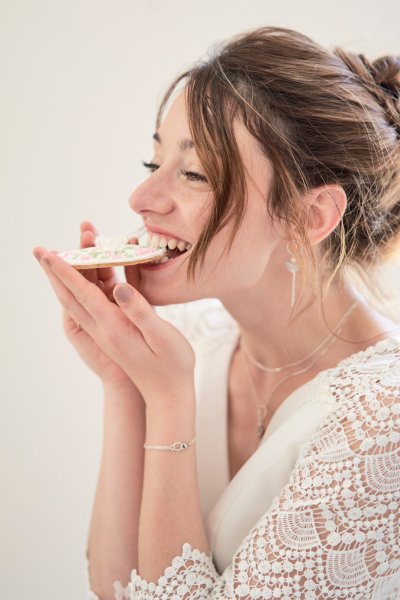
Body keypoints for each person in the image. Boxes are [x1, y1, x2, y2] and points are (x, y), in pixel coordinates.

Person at [33, 26, 400, 600]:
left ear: (310, 216)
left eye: (195, 173)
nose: (141, 199)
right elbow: (115, 589)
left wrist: (170, 401)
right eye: (152, 160)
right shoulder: (195, 343)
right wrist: (123, 381)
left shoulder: (384, 420)